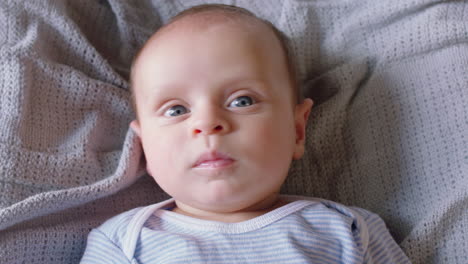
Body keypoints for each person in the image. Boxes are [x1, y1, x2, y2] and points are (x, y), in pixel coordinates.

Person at [81, 4, 410, 264]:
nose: (208, 123)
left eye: (242, 100)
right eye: (176, 110)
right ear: (144, 146)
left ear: (297, 130)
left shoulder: (348, 230)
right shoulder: (124, 242)